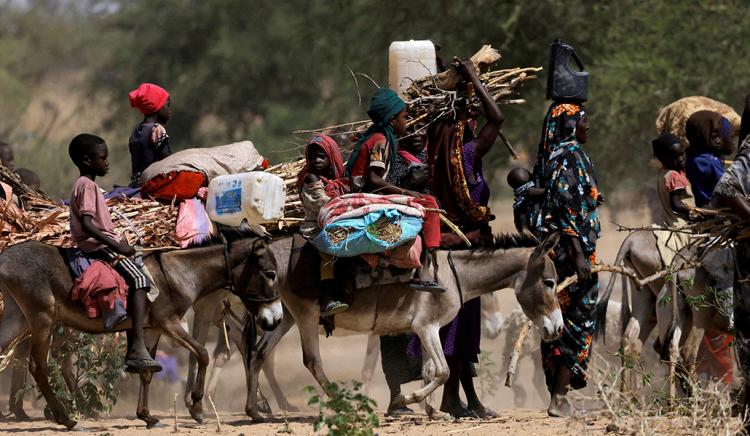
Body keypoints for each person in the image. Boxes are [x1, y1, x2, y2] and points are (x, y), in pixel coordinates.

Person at [68, 133, 161, 373]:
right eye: (103, 158)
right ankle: (138, 346)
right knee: (140, 279)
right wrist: (117, 246)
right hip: (98, 247)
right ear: (87, 161)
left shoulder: (86, 185)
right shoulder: (87, 186)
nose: (107, 162)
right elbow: (88, 224)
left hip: (102, 244)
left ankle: (134, 348)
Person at [531, 102, 601, 417]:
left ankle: (559, 396)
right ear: (570, 125)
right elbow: (567, 208)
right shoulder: (569, 157)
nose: (589, 126)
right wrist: (579, 255)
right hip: (571, 257)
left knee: (556, 323)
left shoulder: (550, 157)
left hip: (556, 254)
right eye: (584, 121)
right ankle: (559, 398)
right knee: (575, 323)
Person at [346, 88, 442, 292]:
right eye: (404, 117)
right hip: (365, 195)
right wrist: (406, 193)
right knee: (429, 204)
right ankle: (427, 268)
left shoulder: (378, 136)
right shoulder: (381, 141)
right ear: (392, 120)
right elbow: (372, 179)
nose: (406, 124)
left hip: (366, 191)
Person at [297, 134, 350, 316]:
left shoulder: (337, 178)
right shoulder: (310, 179)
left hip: (336, 223)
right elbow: (323, 205)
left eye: (321, 156)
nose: (316, 160)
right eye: (312, 157)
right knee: (327, 253)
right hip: (316, 227)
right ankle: (327, 298)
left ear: (332, 156)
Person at [685, 110, 732, 207]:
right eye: (716, 135)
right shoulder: (709, 162)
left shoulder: (690, 156)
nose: (719, 139)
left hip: (702, 207)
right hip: (716, 209)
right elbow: (727, 189)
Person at [128, 83, 172, 187]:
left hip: (136, 185)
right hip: (153, 185)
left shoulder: (136, 132)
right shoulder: (157, 130)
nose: (170, 111)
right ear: (158, 106)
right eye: (167, 105)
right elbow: (169, 162)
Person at [652, 132, 694, 223]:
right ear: (663, 159)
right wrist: (694, 210)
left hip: (667, 219)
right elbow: (676, 204)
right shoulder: (673, 175)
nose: (681, 159)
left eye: (682, 154)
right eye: (675, 157)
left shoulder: (662, 172)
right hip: (680, 222)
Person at [507, 167, 546, 233]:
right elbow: (533, 192)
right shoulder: (527, 188)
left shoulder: (518, 192)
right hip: (526, 218)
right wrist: (547, 190)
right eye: (529, 174)